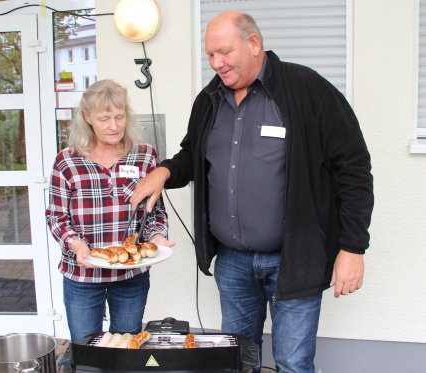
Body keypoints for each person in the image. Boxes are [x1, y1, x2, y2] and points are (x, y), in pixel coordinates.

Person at [130, 10, 373, 373]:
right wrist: (164, 171)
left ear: (254, 43)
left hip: (294, 259)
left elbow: (353, 168)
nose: (216, 63)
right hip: (233, 263)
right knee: (238, 361)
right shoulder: (209, 99)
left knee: (293, 362)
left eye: (224, 52)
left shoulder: (307, 89)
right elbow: (193, 155)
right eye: (210, 55)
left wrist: (353, 248)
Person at [46, 79, 174, 341]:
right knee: (87, 350)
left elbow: (155, 213)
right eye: (104, 119)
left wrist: (156, 237)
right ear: (87, 117)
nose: (114, 126)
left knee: (126, 348)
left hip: (130, 273)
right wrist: (75, 244)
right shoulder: (67, 161)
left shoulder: (145, 156)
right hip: (82, 274)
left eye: (119, 116)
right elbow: (56, 216)